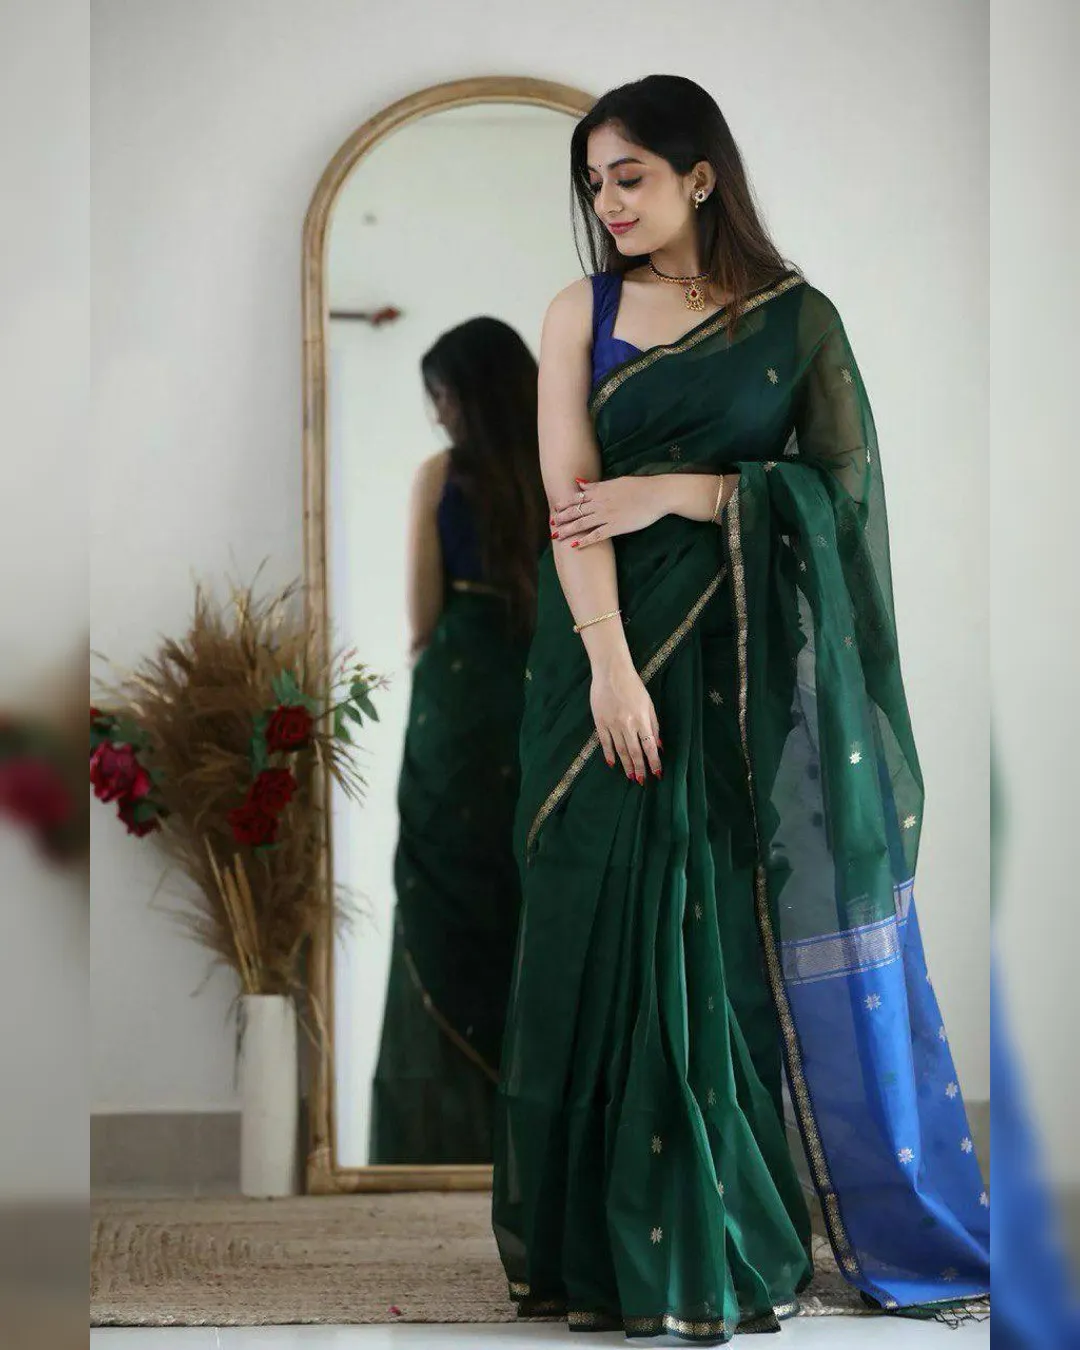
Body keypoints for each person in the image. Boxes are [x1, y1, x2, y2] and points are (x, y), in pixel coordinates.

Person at [491, 74, 990, 1341]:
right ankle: (595, 1251)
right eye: (595, 183)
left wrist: (684, 491)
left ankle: (722, 1236)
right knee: (594, 924)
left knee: (713, 932)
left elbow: (840, 498)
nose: (609, 203)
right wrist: (609, 667)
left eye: (631, 177)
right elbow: (570, 507)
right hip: (602, 665)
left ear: (699, 175)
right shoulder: (580, 312)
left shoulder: (797, 321)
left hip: (738, 671)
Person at [369, 317, 548, 1164]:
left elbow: (422, 617)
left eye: (441, 396)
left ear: (469, 395)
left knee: (440, 900)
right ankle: (535, 1148)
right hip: (543, 704)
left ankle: (434, 1145)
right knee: (529, 901)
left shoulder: (441, 477)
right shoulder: (566, 470)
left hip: (457, 713)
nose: (437, 414)